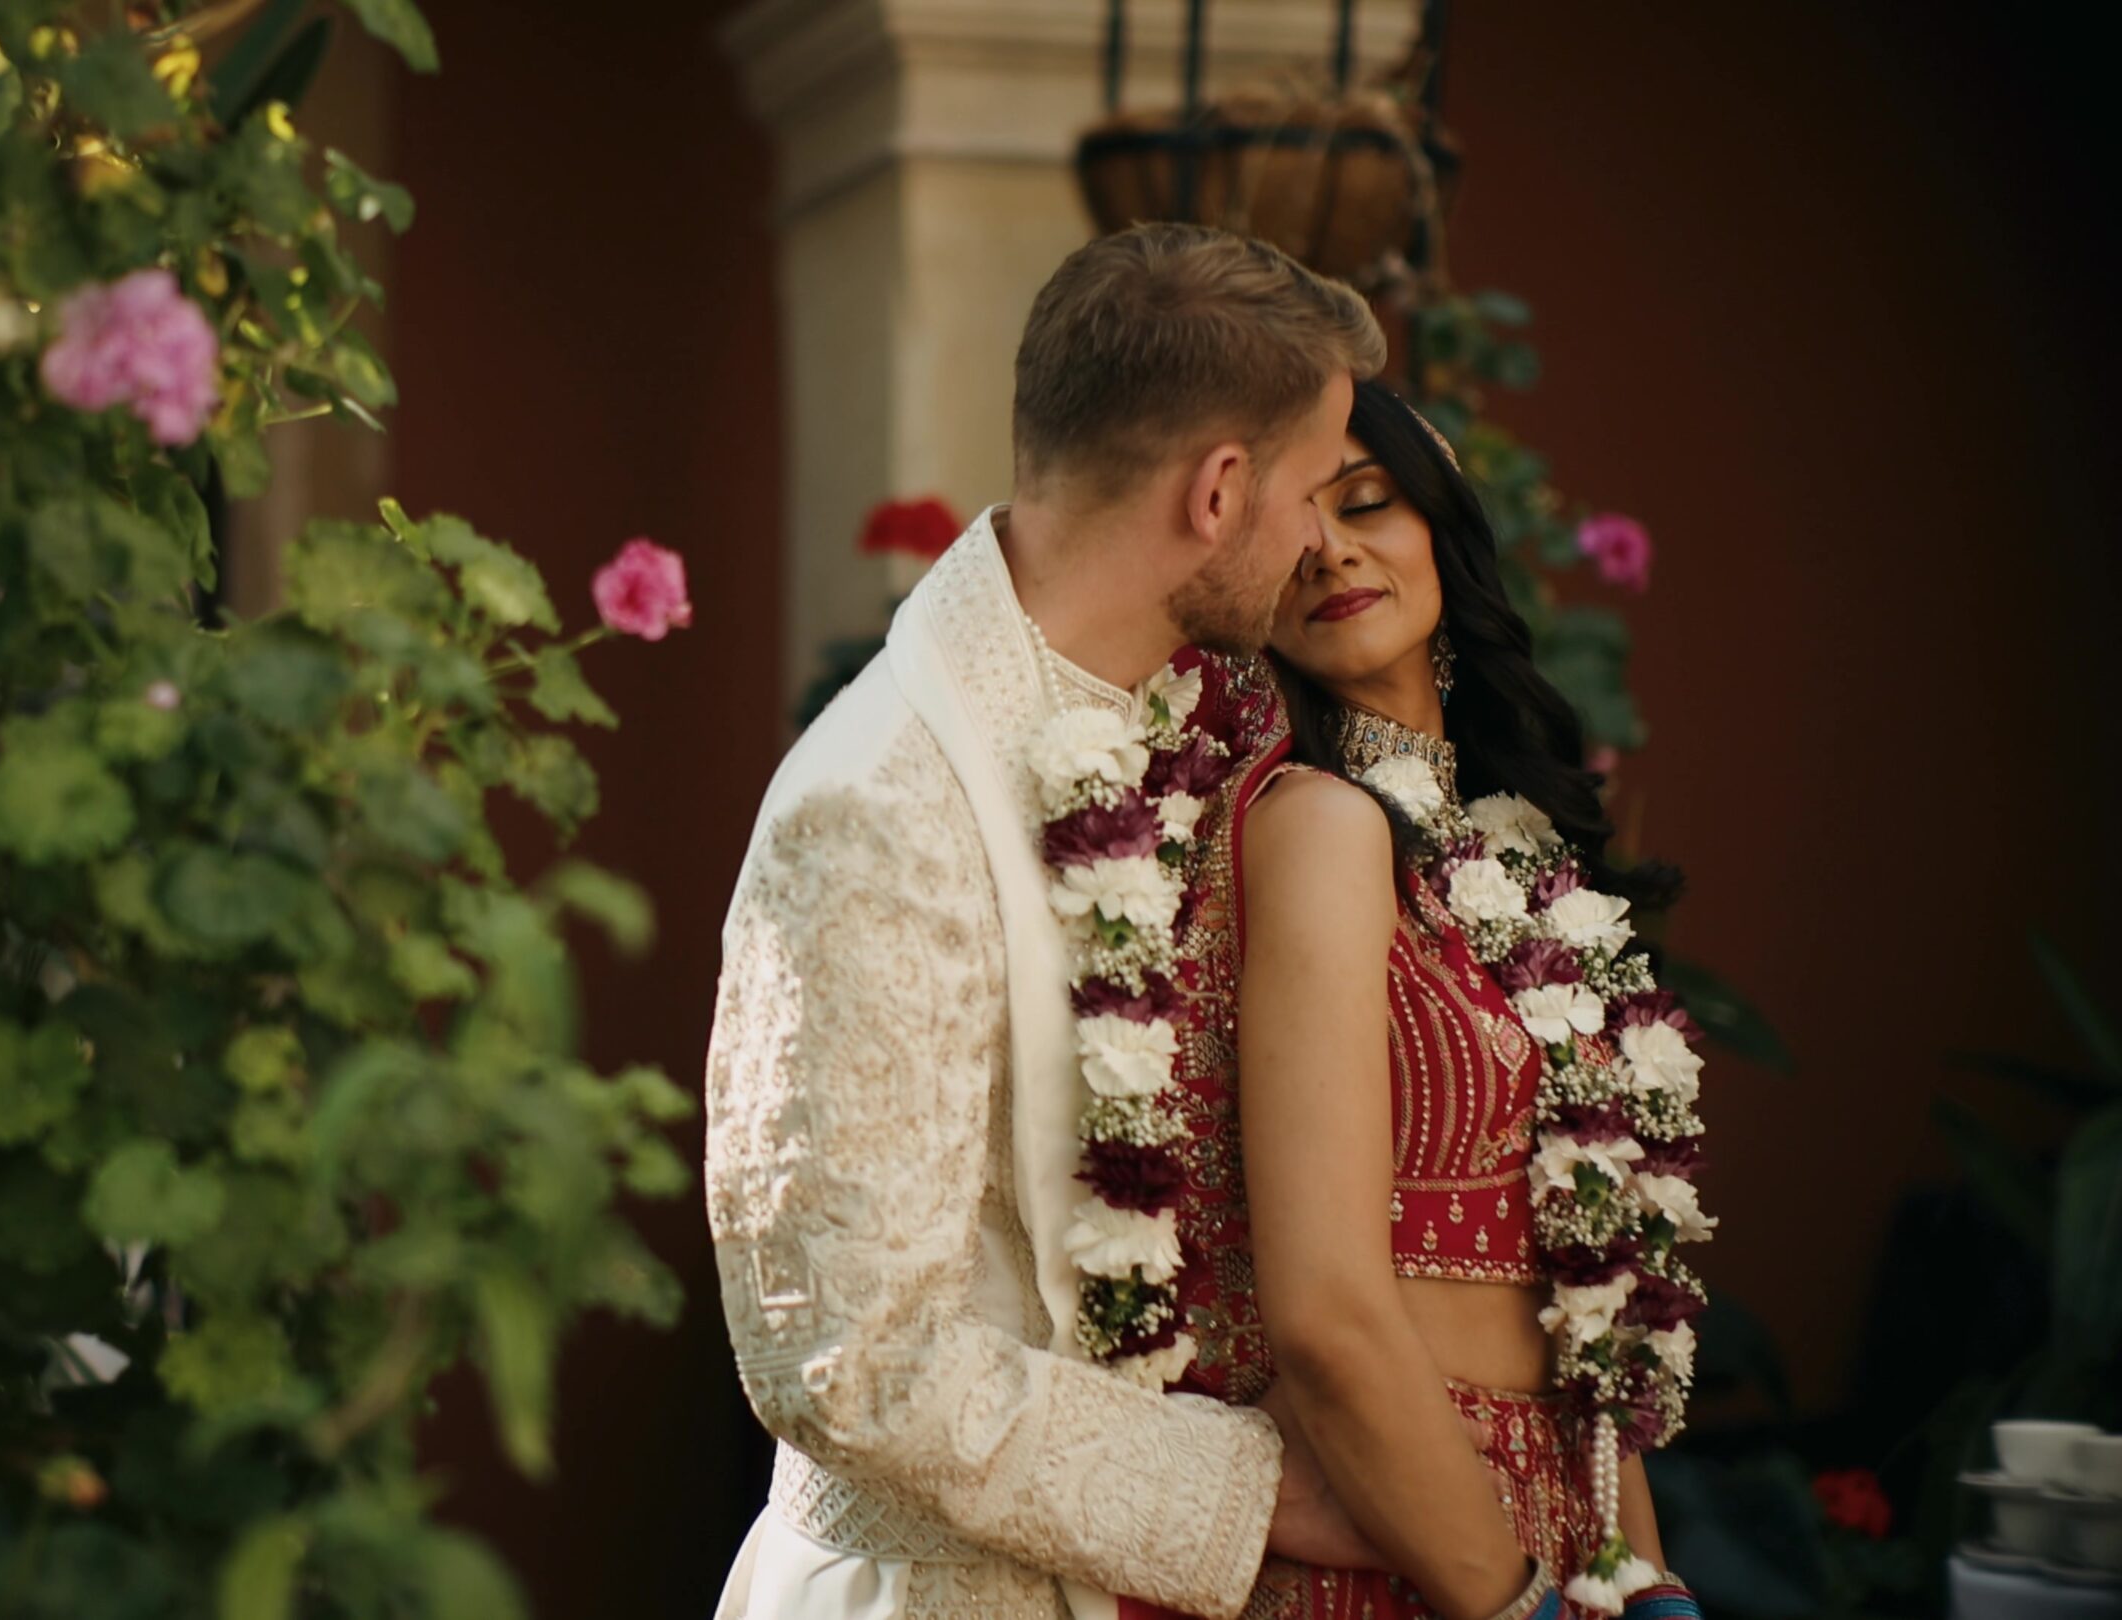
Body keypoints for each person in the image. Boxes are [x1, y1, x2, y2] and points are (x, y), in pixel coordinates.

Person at [706, 223, 1405, 1620]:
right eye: (1315, 493)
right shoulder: (878, 808)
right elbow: (847, 1353)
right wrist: (1253, 1495)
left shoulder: (1202, 735)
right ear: (1218, 493)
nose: (1324, 545)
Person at [1120, 379, 1713, 1620]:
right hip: (1393, 1531)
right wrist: (1513, 1601)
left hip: (1560, 1517)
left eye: (1370, 502)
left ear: (1439, 521)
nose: (1332, 547)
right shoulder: (1313, 829)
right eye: (1296, 521)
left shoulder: (1515, 865)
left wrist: (1644, 1573)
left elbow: (1593, 1278)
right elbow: (1327, 1317)